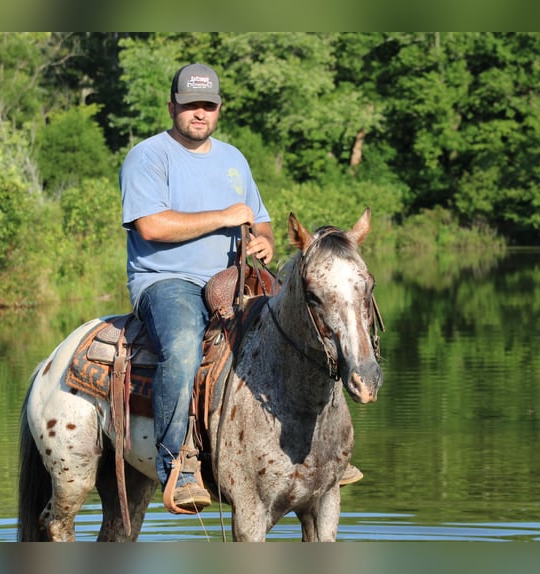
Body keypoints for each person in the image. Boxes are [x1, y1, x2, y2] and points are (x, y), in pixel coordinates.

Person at [120, 63, 362, 515]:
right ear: (172, 106)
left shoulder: (233, 159)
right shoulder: (148, 156)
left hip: (234, 280)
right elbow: (150, 226)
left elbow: (260, 217)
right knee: (182, 348)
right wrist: (223, 217)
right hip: (168, 281)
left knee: (309, 326)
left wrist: (264, 239)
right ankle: (179, 462)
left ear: (218, 109)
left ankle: (329, 453)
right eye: (190, 105)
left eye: (207, 106)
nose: (199, 113)